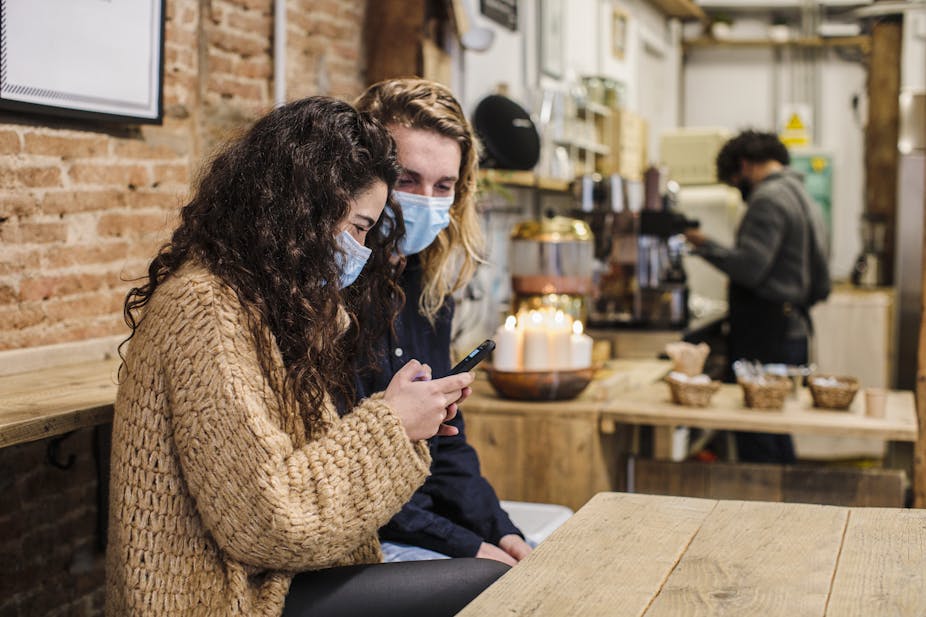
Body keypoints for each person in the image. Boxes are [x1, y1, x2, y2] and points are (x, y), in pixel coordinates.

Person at [106, 96, 508, 617]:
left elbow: (306, 473)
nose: (362, 250)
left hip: (278, 577)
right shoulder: (205, 308)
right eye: (360, 227)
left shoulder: (269, 306)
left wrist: (401, 419)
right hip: (226, 597)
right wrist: (391, 425)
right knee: (492, 587)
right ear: (303, 208)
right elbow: (269, 523)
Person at [354, 79, 532, 565]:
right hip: (363, 540)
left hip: (425, 530)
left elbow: (447, 450)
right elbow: (346, 479)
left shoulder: (428, 290)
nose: (426, 200)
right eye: (407, 180)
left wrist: (503, 532)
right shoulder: (329, 297)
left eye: (444, 187)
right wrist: (470, 548)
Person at [684, 129, 831, 464]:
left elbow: (750, 268)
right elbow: (822, 282)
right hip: (791, 327)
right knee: (776, 430)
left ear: (745, 166)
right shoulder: (803, 196)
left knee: (758, 436)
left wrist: (702, 243)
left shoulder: (768, 199)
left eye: (734, 181)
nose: (739, 189)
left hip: (767, 333)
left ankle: (771, 514)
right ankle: (789, 509)